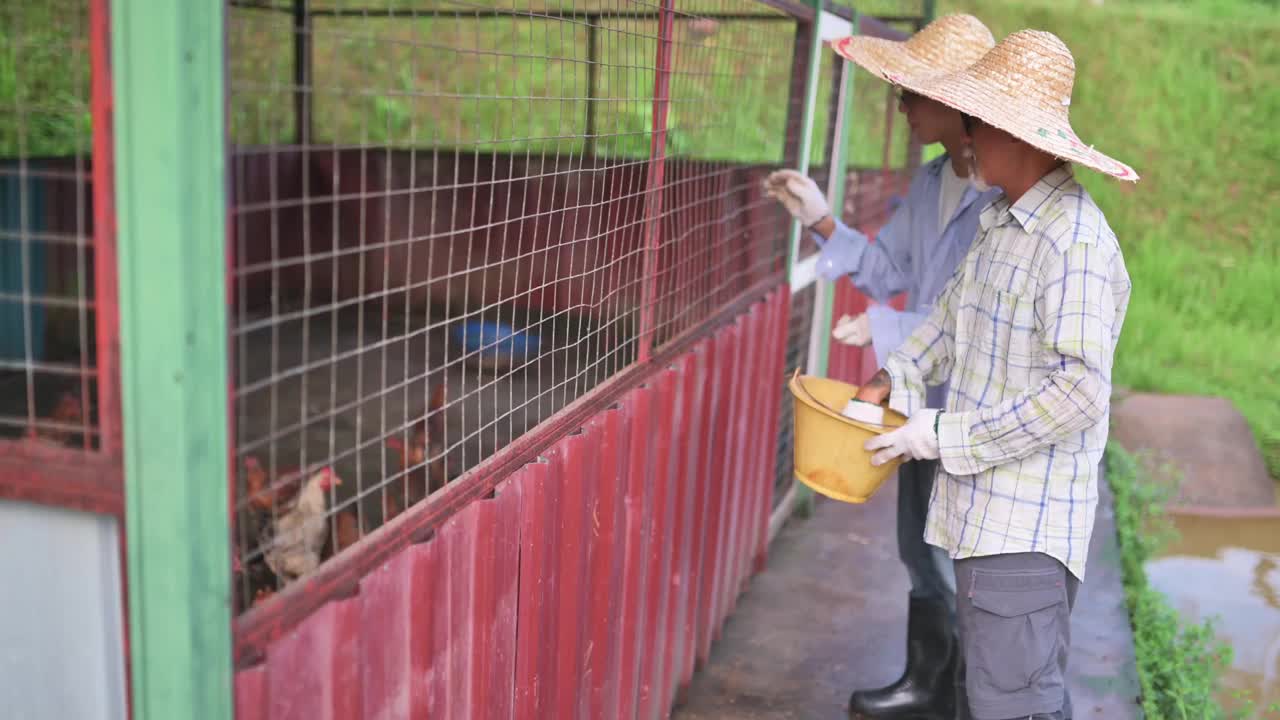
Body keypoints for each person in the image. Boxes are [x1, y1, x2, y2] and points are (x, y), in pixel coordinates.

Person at [857, 29, 1137, 720]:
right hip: (980, 521)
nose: (968, 136)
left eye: (979, 120)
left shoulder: (1071, 243)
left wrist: (943, 436)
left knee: (1016, 706)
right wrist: (892, 379)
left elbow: (1078, 393)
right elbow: (949, 325)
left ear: (1025, 135)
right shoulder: (997, 221)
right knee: (984, 696)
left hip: (1025, 533)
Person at [764, 15, 997, 719]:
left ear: (954, 105)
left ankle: (967, 697)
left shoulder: (1000, 201)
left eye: (910, 92)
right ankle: (925, 685)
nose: (899, 105)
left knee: (969, 557)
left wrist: (891, 328)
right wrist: (823, 221)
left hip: (968, 407)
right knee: (919, 542)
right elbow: (890, 266)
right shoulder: (932, 184)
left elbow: (976, 318)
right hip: (913, 392)